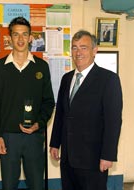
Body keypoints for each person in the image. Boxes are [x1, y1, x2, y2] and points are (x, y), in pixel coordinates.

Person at [49, 30, 122, 190]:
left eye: (83, 47)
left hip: (93, 159)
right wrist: (55, 143)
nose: (78, 52)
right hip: (68, 158)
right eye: (74, 48)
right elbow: (61, 114)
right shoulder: (66, 78)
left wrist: (108, 155)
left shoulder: (108, 79)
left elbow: (113, 122)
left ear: (94, 51)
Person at [0, 16, 55, 190]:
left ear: (30, 37)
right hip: (8, 137)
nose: (20, 39)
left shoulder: (41, 67)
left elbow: (49, 102)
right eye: (16, 34)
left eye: (24, 34)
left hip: (34, 137)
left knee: (36, 185)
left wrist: (38, 124)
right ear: (10, 38)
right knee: (9, 185)